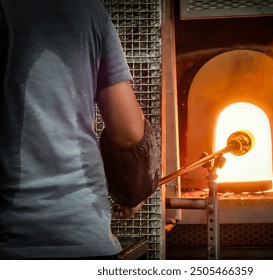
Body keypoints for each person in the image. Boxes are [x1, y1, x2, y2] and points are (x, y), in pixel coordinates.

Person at [0, 0, 159, 259]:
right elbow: (129, 131)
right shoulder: (89, 10)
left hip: (12, 239)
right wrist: (132, 190)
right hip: (85, 234)